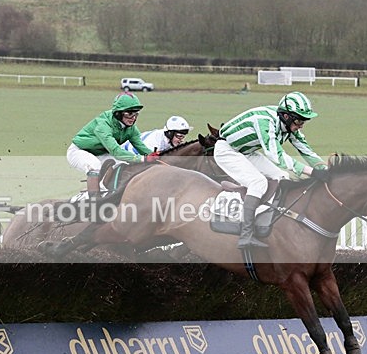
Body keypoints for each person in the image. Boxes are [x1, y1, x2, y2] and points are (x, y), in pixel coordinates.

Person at [214, 91, 329, 249]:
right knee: (258, 182)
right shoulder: (265, 122)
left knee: (281, 176)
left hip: (246, 152)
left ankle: (267, 217)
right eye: (299, 121)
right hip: (226, 150)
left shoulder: (290, 126)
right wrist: (312, 172)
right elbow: (277, 156)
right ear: (286, 116)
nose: (301, 125)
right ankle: (245, 235)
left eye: (304, 121)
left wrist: (325, 169)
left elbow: (306, 151)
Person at [67, 92, 159, 199]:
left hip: (100, 152)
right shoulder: (103, 125)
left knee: (120, 164)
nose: (133, 118)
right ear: (118, 113)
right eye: (129, 114)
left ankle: (104, 190)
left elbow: (140, 146)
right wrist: (143, 159)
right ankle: (93, 200)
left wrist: (154, 155)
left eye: (136, 114)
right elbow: (116, 152)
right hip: (78, 151)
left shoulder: (131, 128)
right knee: (95, 166)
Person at [120, 115, 193, 154]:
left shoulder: (167, 139)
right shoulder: (154, 142)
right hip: (125, 154)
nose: (181, 140)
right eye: (179, 137)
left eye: (183, 137)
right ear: (170, 134)